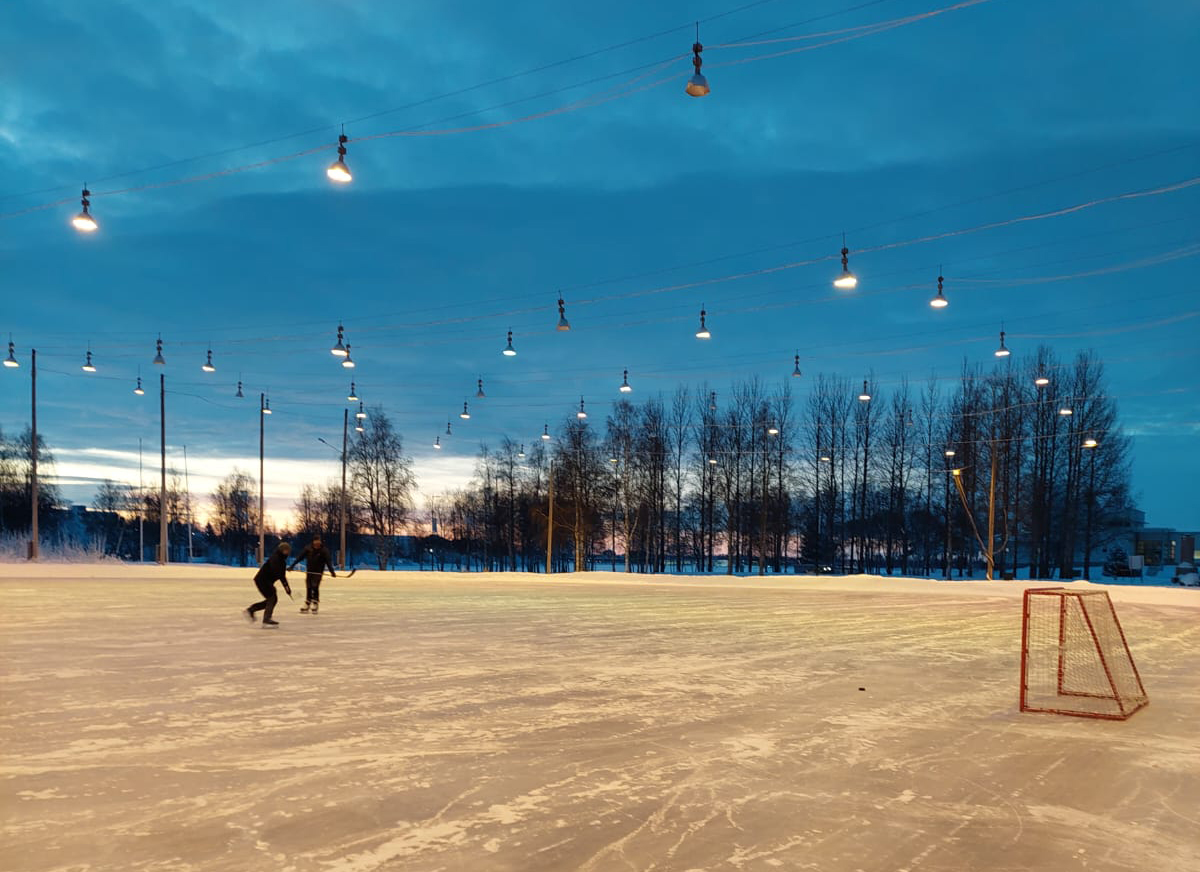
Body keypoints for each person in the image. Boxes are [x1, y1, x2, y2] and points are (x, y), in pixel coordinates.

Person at [245, 542, 292, 627]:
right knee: (272, 598)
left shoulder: (280, 560)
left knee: (271, 600)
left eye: (288, 551)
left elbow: (281, 574)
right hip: (263, 580)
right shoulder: (277, 559)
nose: (287, 552)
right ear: (281, 550)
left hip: (264, 581)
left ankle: (252, 609)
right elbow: (279, 574)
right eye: (285, 550)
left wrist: (287, 587)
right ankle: (266, 619)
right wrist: (287, 587)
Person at [289, 536, 337, 614]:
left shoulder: (324, 550)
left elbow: (328, 561)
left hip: (318, 572)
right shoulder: (308, 548)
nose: (317, 543)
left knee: (315, 586)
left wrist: (332, 572)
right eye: (316, 541)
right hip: (310, 571)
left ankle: (315, 602)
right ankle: (308, 601)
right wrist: (292, 565)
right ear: (313, 541)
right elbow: (299, 557)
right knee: (308, 586)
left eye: (318, 541)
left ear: (320, 542)